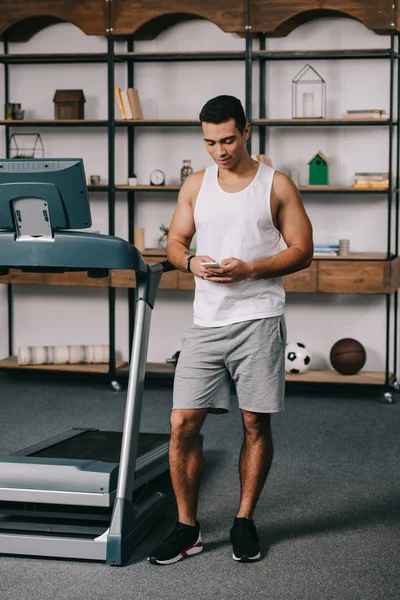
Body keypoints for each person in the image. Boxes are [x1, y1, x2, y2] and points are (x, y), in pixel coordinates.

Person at [147, 95, 313, 565]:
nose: (219, 150)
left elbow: (302, 249)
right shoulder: (196, 185)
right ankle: (187, 528)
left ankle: (244, 520)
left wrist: (252, 269)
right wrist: (190, 260)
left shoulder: (275, 185)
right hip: (207, 323)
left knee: (254, 422)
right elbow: (176, 242)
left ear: (245, 131)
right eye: (209, 142)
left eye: (226, 139)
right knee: (182, 424)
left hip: (258, 320)